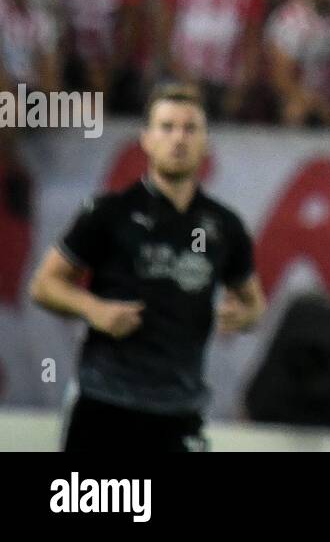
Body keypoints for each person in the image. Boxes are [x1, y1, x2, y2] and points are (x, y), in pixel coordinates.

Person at [28, 84, 265, 452]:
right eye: (167, 127)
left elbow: (254, 305)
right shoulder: (110, 213)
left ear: (205, 141)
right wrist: (94, 309)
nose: (178, 139)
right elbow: (43, 285)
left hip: (178, 410)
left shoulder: (224, 226)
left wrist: (242, 315)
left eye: (190, 129)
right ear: (146, 139)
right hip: (106, 402)